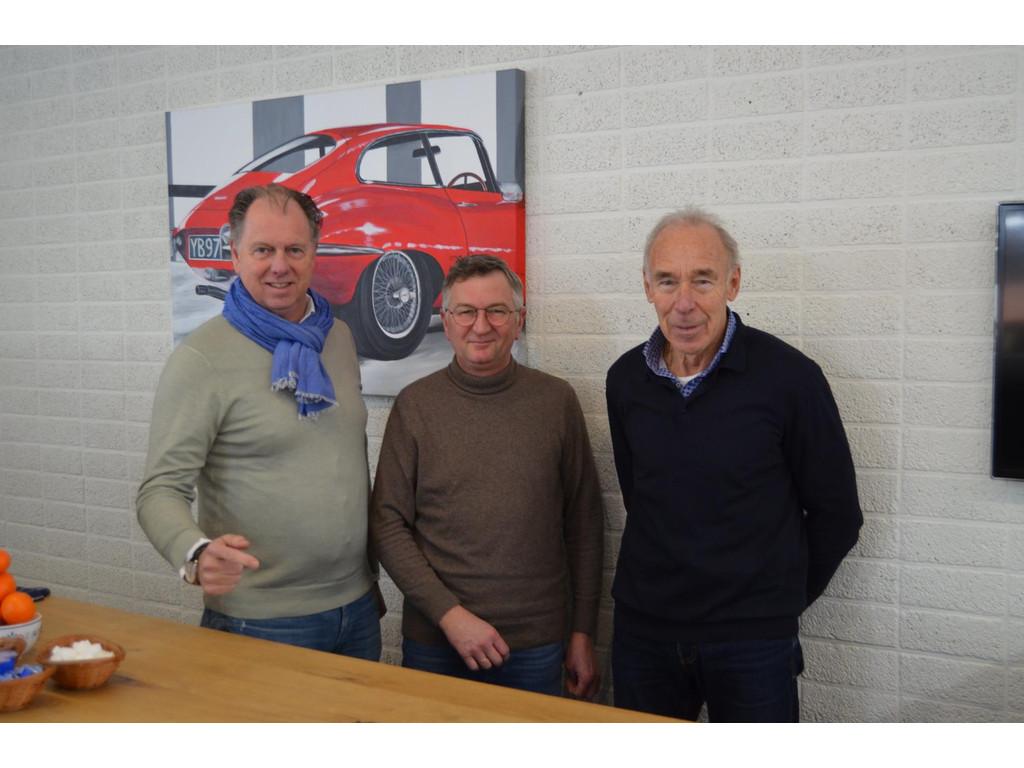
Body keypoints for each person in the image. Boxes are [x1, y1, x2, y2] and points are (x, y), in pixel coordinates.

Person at [606, 208, 862, 722]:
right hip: (645, 635)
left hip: (752, 645)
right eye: (667, 281)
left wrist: (773, 604)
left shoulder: (790, 379)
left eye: (702, 280)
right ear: (647, 287)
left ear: (734, 283)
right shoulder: (626, 380)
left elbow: (838, 516)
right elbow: (641, 496)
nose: (684, 303)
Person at [137, 184, 381, 660]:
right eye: (263, 250)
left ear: (314, 253)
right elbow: (159, 490)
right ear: (235, 254)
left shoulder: (338, 338)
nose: (279, 266)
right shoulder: (201, 358)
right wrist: (194, 551)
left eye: (294, 250)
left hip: (357, 607)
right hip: (258, 619)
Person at [371, 255, 604, 698]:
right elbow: (387, 524)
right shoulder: (415, 406)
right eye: (466, 311)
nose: (481, 326)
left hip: (536, 645)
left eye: (496, 311)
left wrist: (583, 632)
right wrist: (450, 616)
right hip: (437, 643)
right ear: (446, 321)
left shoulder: (556, 402)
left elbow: (585, 523)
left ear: (519, 320)